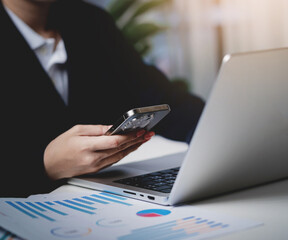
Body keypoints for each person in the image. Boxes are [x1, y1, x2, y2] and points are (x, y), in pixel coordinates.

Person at [0, 0, 204, 197]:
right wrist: (45, 166)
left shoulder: (90, 21)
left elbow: (164, 99)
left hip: (98, 199)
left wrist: (215, 127)